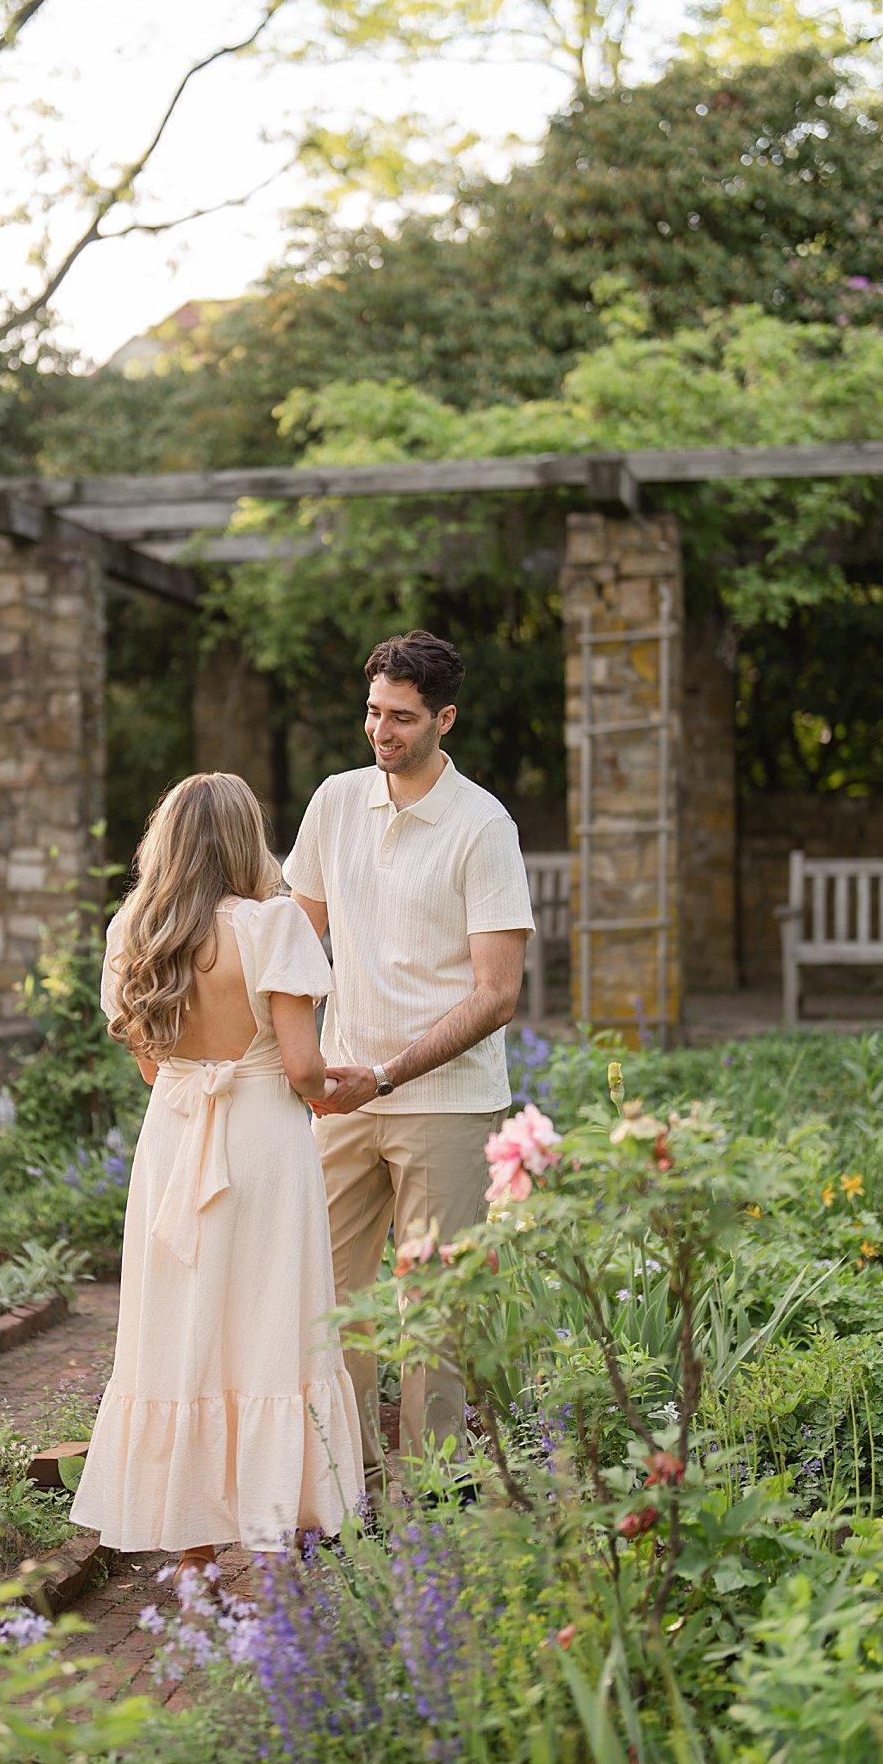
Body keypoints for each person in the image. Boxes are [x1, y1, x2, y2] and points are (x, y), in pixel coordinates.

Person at [68, 771, 364, 1587]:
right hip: (263, 1142)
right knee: (271, 1325)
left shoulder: (132, 930)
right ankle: (271, 1557)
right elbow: (302, 1069)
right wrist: (345, 1087)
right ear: (245, 839)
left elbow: (149, 1067)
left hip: (175, 1140)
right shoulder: (274, 925)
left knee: (184, 1327)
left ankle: (195, 1563)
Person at [283, 630, 534, 1505]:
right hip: (339, 1098)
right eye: (372, 712)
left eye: (400, 717)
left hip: (445, 1103)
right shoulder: (334, 802)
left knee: (433, 1313)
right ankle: (346, 1491)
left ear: (443, 720)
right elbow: (293, 940)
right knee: (328, 1300)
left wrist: (385, 1076)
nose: (379, 731)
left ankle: (433, 1500)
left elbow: (496, 995)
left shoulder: (482, 827)